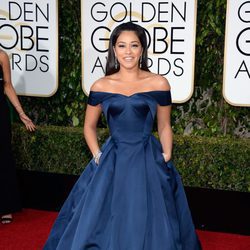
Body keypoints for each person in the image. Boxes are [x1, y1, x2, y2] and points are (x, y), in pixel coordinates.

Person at [44, 22, 201, 249]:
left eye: (134, 45)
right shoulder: (101, 85)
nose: (128, 52)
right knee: (104, 215)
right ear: (114, 50)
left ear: (142, 49)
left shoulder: (159, 83)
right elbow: (88, 126)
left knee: (150, 216)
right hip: (113, 158)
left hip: (148, 158)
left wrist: (166, 154)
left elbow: (165, 125)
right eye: (122, 45)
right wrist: (97, 154)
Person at [0, 49, 35, 224]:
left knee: (3, 156)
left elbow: (7, 85)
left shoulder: (1, 56)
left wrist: (20, 112)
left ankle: (5, 207)